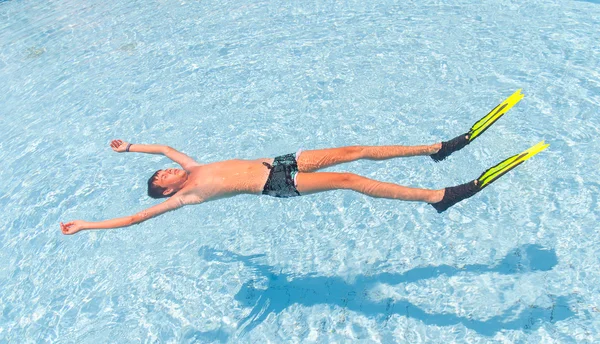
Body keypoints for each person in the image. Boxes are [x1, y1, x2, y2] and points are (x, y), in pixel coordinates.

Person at [60, 90, 547, 235]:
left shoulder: (190, 166)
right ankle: (437, 198)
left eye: (163, 171)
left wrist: (132, 150)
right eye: (161, 179)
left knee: (354, 149)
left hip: (280, 160)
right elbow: (134, 218)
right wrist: (87, 225)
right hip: (275, 186)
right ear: (169, 191)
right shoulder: (188, 193)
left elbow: (165, 147)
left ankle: (436, 150)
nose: (166, 172)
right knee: (354, 179)